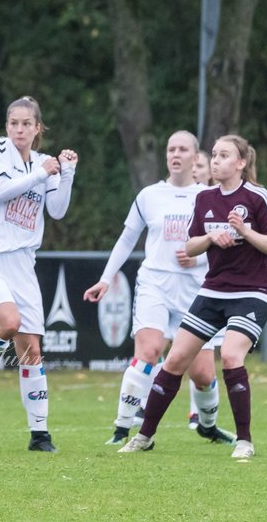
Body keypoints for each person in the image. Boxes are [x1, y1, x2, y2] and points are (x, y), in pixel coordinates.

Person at [119, 134, 267, 459]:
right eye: (214, 155)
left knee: (232, 356)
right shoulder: (205, 198)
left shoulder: (257, 197)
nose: (215, 161)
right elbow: (189, 246)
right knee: (175, 360)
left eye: (223, 156)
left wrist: (246, 232)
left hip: (253, 292)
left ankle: (244, 441)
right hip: (212, 290)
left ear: (241, 163)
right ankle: (144, 436)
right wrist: (209, 238)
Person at [83, 130, 234, 447]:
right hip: (155, 284)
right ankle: (122, 429)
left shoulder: (211, 198)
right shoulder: (149, 195)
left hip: (196, 291)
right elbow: (126, 240)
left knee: (202, 374)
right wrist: (106, 278)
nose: (175, 155)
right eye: (171, 149)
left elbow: (227, 247)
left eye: (182, 149)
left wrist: (200, 259)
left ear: (196, 158)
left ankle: (207, 426)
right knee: (149, 352)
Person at [0, 96, 77, 452]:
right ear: (7, 127)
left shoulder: (44, 162)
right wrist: (43, 173)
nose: (19, 129)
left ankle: (39, 435)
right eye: (14, 123)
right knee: (8, 323)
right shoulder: (0, 150)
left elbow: (56, 211)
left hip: (23, 263)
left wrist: (67, 173)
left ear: (38, 128)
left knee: (31, 351)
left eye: (27, 124)